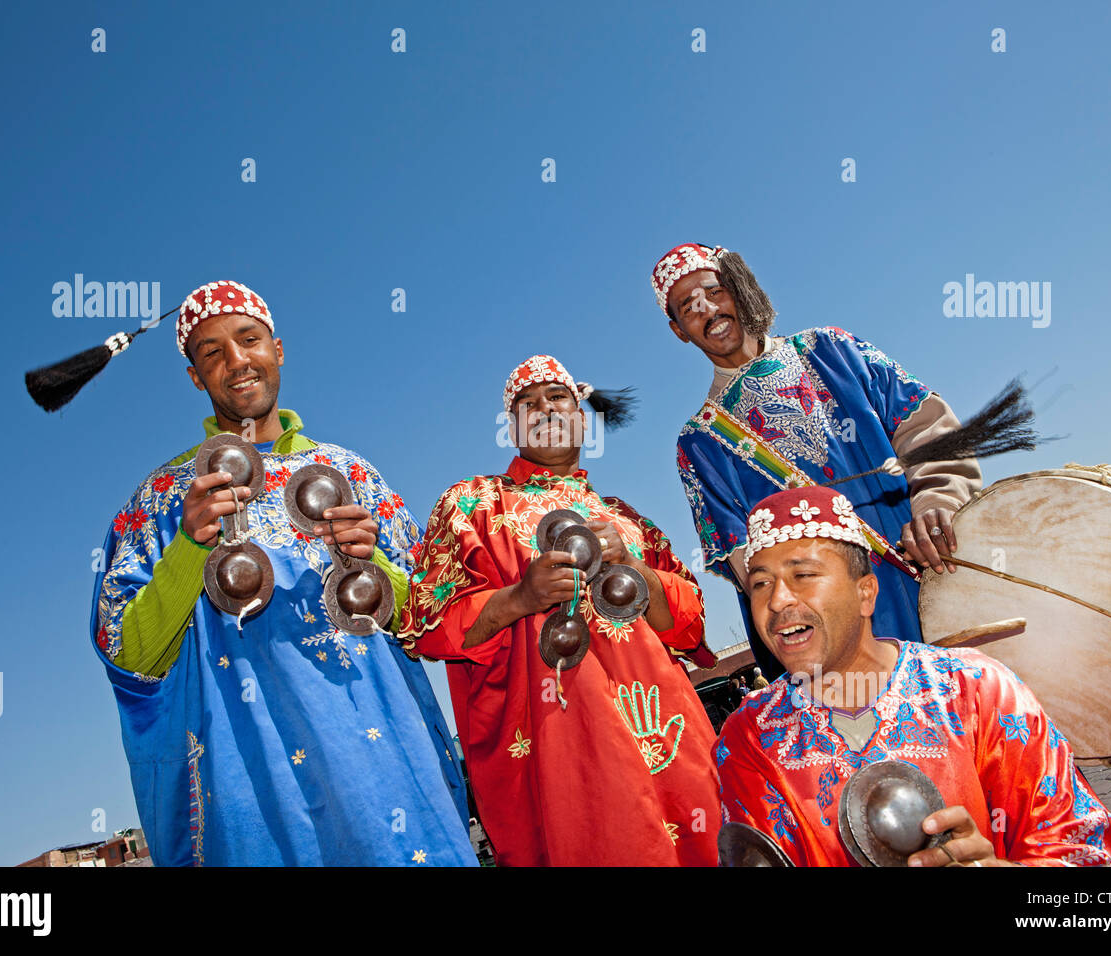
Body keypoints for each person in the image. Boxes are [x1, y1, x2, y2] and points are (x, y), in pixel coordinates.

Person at [89, 280, 476, 867]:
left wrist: (374, 568)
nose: (237, 362)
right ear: (196, 377)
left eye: (249, 340)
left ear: (279, 350)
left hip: (389, 783)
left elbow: (431, 618)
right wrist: (191, 547)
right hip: (254, 796)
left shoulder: (350, 472)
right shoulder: (162, 499)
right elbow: (130, 655)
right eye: (211, 352)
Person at [398, 355, 721, 866]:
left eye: (557, 398)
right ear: (511, 427)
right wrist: (518, 599)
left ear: (581, 416)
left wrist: (637, 569)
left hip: (667, 737)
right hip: (557, 753)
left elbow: (689, 626)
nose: (544, 409)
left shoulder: (625, 517)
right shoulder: (472, 505)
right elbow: (424, 624)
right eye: (527, 403)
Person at [714, 486, 1111, 866]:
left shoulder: (975, 689)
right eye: (761, 584)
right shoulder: (748, 739)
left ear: (866, 593)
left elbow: (1083, 847)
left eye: (803, 575)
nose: (777, 600)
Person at [653, 243, 982, 675]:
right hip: (839, 641)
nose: (707, 309)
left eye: (714, 291)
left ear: (739, 288)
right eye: (688, 307)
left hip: (937, 573)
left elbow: (927, 429)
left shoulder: (833, 350)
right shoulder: (699, 444)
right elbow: (747, 561)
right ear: (679, 330)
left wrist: (937, 502)